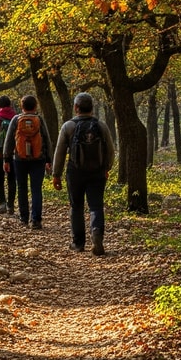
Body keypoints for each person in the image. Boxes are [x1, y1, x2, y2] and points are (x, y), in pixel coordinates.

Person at [51, 91, 116, 255]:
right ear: (92, 108)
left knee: (76, 206)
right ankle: (97, 233)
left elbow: (59, 152)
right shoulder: (101, 126)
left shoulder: (68, 126)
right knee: (96, 205)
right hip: (97, 172)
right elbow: (110, 149)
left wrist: (56, 174)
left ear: (76, 108)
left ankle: (78, 243)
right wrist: (106, 167)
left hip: (75, 172)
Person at [5, 94, 54, 228]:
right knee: (36, 189)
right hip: (39, 159)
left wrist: (6, 159)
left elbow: (9, 140)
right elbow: (47, 139)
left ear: (22, 106)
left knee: (22, 188)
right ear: (36, 106)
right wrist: (49, 159)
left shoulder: (16, 119)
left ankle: (24, 218)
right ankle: (36, 220)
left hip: (19, 159)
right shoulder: (39, 120)